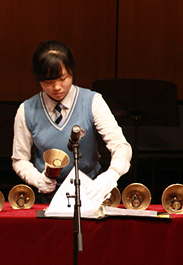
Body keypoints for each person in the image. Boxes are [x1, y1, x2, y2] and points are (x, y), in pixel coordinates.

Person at [12, 40, 132, 203]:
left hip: (91, 191)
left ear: (72, 72)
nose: (57, 87)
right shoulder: (26, 110)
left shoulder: (93, 101)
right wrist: (37, 179)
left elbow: (120, 146)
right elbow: (20, 159)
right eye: (48, 82)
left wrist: (111, 175)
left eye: (63, 78)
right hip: (49, 196)